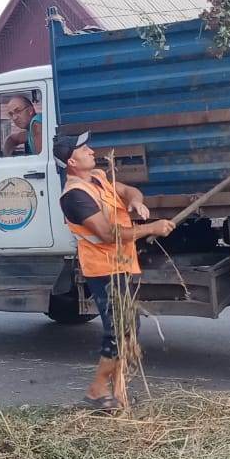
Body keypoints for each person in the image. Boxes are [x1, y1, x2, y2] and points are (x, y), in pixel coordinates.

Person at [54, 132, 172, 411]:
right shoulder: (74, 197)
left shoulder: (96, 178)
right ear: (71, 161)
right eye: (84, 149)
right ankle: (97, 390)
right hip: (103, 270)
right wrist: (152, 228)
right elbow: (107, 234)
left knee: (129, 328)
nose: (92, 151)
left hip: (121, 265)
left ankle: (118, 394)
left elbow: (127, 191)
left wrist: (135, 201)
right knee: (118, 332)